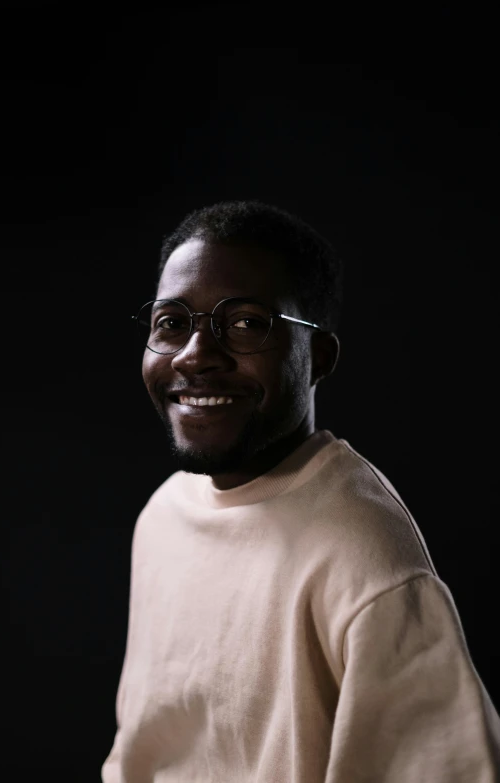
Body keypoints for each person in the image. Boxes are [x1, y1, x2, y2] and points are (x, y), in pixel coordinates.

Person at [101, 200, 500, 782]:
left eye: (245, 324)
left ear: (318, 358)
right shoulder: (163, 516)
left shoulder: (366, 563)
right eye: (171, 322)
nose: (195, 355)